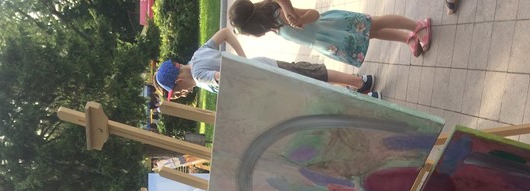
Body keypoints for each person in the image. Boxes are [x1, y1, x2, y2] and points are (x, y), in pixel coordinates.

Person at [155, 27, 381, 100]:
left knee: (311, 90)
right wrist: (242, 58)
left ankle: (367, 98)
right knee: (310, 73)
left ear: (178, 80)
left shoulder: (199, 76)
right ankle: (361, 82)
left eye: (177, 91)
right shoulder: (198, 55)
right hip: (263, 64)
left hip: (264, 80)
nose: (182, 93)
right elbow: (225, 32)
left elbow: (224, 77)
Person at [228, 0, 432, 62]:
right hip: (329, 37)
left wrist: (298, 18)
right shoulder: (274, 26)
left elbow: (314, 14)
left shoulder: (279, 14)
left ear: (254, 25)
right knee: (372, 34)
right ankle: (407, 38)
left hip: (333, 25)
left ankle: (417, 26)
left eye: (250, 33)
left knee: (376, 23)